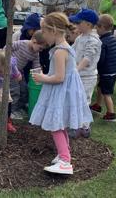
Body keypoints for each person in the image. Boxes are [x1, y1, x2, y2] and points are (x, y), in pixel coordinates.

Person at [29, 12, 93, 175]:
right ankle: (64, 155)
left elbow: (59, 77)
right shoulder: (65, 48)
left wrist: (42, 78)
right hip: (65, 92)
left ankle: (65, 161)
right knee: (59, 123)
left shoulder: (59, 51)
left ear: (54, 31)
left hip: (61, 92)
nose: (43, 36)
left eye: (44, 31)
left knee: (55, 125)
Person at [90, 14, 116, 122]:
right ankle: (97, 105)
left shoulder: (102, 42)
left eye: (97, 27)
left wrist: (95, 66)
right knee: (100, 88)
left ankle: (111, 113)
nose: (96, 30)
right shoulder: (114, 39)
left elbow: (100, 59)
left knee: (106, 93)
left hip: (106, 72)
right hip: (113, 70)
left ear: (101, 27)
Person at [10, 30, 46, 120]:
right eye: (40, 48)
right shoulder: (21, 44)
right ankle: (11, 111)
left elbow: (36, 66)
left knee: (24, 90)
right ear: (34, 41)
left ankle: (19, 108)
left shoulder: (35, 53)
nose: (40, 50)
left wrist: (40, 77)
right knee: (15, 91)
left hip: (19, 72)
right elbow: (7, 48)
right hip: (10, 71)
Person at [70, 9, 101, 105]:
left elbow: (88, 58)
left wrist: (76, 69)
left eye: (79, 22)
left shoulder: (93, 41)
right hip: (77, 75)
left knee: (83, 103)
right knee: (74, 100)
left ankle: (83, 120)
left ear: (88, 24)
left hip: (87, 77)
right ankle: (75, 119)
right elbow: (71, 51)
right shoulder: (80, 37)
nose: (76, 25)